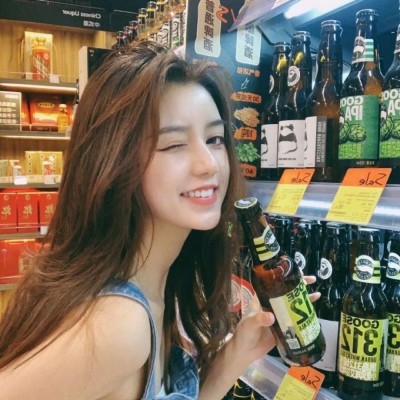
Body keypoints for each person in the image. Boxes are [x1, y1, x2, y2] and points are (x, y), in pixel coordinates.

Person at [0, 41, 319, 399]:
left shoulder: (159, 281)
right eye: (174, 145)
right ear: (114, 162)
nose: (209, 164)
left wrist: (238, 352)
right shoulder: (117, 324)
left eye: (214, 138)